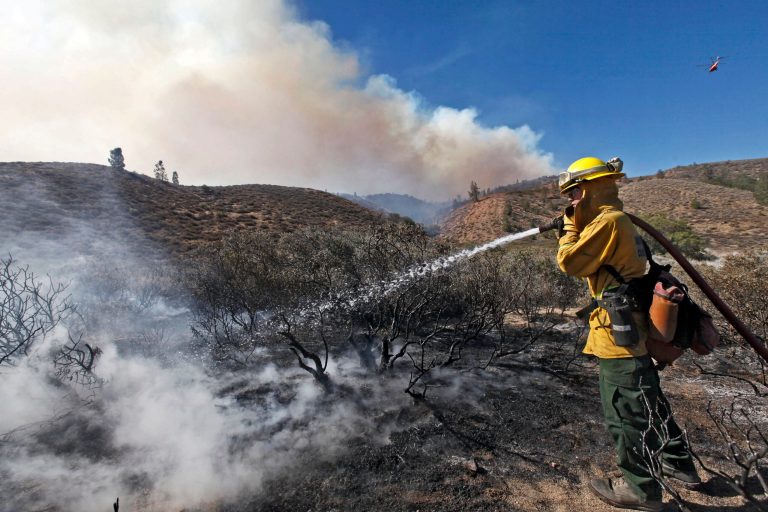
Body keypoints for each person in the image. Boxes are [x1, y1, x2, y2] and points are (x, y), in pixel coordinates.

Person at [554, 157, 700, 511]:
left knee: (625, 411)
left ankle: (640, 491)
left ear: (590, 188)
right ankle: (679, 465)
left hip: (618, 336)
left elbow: (570, 263)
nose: (571, 201)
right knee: (648, 399)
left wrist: (569, 228)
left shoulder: (609, 222)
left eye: (573, 193)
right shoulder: (614, 221)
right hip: (627, 327)